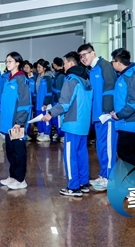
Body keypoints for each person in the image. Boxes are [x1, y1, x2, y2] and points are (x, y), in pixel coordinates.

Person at [43, 52, 92, 196]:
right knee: (82, 154)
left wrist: (50, 113)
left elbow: (64, 104)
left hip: (72, 123)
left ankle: (73, 187)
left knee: (70, 156)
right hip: (84, 123)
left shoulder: (71, 79)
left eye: (65, 63)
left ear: (71, 63)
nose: (63, 66)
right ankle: (83, 183)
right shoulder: (86, 79)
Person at [77, 43, 117, 192]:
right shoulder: (91, 70)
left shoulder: (104, 66)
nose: (83, 58)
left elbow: (110, 88)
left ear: (93, 53)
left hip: (106, 116)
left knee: (108, 148)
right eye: (80, 56)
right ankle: (103, 175)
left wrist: (107, 110)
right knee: (101, 147)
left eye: (85, 54)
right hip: (97, 116)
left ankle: (110, 178)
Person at [0, 52, 32, 190]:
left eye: (10, 61)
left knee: (19, 151)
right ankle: (13, 176)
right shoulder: (8, 79)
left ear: (18, 63)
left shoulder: (21, 79)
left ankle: (20, 179)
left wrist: (19, 122)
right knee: (10, 150)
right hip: (8, 122)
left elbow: (25, 103)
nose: (7, 63)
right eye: (6, 61)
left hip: (17, 122)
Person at [109, 48, 135, 170]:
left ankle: (134, 179)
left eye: (113, 61)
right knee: (125, 152)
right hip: (125, 121)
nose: (112, 64)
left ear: (118, 62)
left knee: (125, 152)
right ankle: (132, 178)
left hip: (130, 121)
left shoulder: (131, 76)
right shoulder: (124, 76)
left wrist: (120, 114)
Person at [35, 59, 54, 142]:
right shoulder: (38, 77)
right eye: (37, 67)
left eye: (40, 67)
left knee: (46, 119)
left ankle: (47, 134)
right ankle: (41, 132)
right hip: (38, 103)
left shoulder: (48, 78)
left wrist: (46, 103)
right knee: (39, 118)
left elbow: (49, 92)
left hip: (45, 103)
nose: (38, 69)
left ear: (44, 68)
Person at [51, 57, 66, 142]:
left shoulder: (60, 76)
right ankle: (59, 133)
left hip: (58, 101)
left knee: (60, 119)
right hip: (57, 100)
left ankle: (62, 135)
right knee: (57, 120)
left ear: (55, 65)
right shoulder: (59, 75)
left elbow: (59, 90)